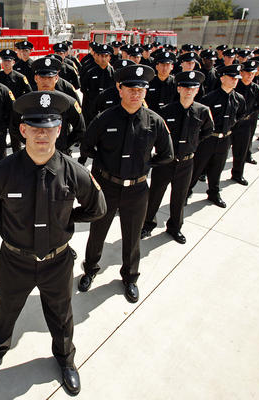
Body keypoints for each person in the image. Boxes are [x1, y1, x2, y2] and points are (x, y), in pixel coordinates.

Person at [0, 91, 107, 395]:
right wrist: (11, 226)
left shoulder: (74, 172)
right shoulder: (3, 172)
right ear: (22, 130)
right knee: (6, 309)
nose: (42, 135)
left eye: (49, 128)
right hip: (15, 261)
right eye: (35, 127)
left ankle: (65, 360)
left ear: (59, 130)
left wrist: (65, 222)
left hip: (57, 262)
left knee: (61, 314)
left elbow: (96, 207)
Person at [78, 64, 174, 302]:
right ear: (120, 89)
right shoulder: (104, 118)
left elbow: (167, 154)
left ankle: (130, 277)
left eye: (141, 89)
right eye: (130, 88)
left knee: (132, 237)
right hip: (107, 187)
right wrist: (105, 166)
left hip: (137, 190)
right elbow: (87, 146)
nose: (136, 93)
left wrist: (144, 166)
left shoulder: (154, 121)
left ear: (146, 91)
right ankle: (90, 269)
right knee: (97, 232)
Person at [142, 71, 213, 244]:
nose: (189, 91)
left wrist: (192, 145)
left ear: (197, 90)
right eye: (185, 87)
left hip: (187, 162)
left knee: (179, 197)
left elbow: (207, 131)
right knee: (155, 194)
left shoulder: (202, 111)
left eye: (193, 88)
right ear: (179, 88)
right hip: (166, 161)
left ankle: (175, 227)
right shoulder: (166, 111)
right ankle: (147, 223)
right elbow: (156, 134)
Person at [187, 64, 246, 208]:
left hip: (225, 139)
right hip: (209, 139)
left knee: (217, 168)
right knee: (198, 167)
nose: (234, 81)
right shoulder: (209, 99)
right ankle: (186, 192)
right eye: (231, 78)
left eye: (236, 78)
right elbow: (199, 120)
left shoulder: (239, 98)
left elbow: (241, 115)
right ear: (222, 78)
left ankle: (214, 192)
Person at [10, 57, 85, 157]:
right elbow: (14, 127)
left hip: (59, 154)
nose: (46, 82)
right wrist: (29, 141)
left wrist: (64, 144)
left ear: (56, 78)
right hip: (34, 154)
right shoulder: (26, 102)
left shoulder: (67, 102)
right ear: (36, 78)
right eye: (42, 77)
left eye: (50, 78)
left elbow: (80, 129)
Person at [231, 60, 259, 186]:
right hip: (231, 123)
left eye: (252, 74)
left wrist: (251, 111)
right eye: (247, 73)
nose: (250, 76)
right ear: (241, 73)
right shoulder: (235, 86)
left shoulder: (257, 89)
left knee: (241, 151)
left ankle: (237, 174)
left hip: (246, 124)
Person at [0, 49, 33, 153]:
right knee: (0, 141)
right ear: (1, 62)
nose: (6, 63)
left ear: (13, 62)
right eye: (4, 61)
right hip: (0, 113)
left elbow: (29, 94)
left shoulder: (20, 78)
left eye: (9, 61)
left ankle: (18, 161)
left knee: (15, 139)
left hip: (15, 112)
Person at [80, 43, 115, 125]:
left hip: (107, 107)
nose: (104, 59)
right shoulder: (90, 72)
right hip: (91, 107)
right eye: (101, 56)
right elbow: (84, 89)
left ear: (109, 58)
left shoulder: (113, 73)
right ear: (97, 56)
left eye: (106, 56)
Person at [146, 50, 177, 115]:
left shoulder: (176, 83)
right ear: (157, 67)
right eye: (162, 65)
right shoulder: (149, 82)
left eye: (168, 65)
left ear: (172, 67)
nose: (165, 68)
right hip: (151, 114)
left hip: (169, 115)